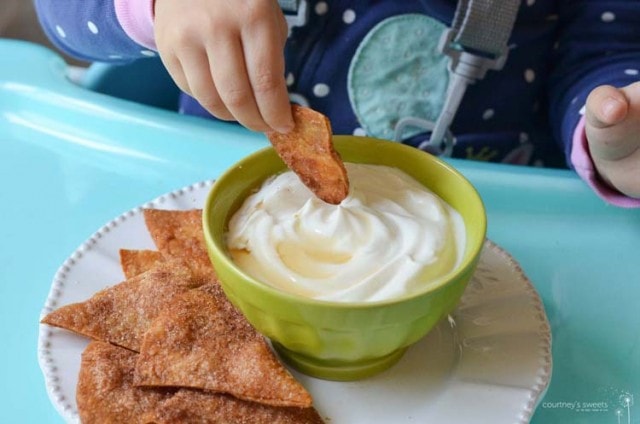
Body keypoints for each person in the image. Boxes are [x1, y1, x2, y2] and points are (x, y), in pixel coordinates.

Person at [34, 0, 640, 207]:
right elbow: (61, 16)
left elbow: (602, 47)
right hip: (235, 207)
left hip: (500, 221)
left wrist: (610, 134)